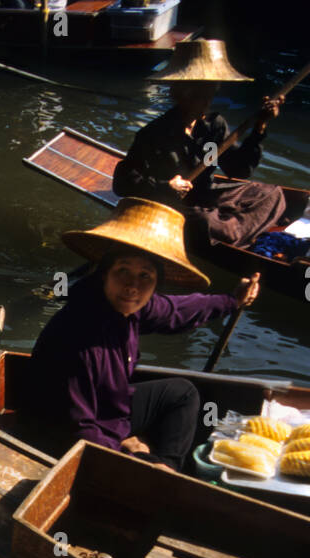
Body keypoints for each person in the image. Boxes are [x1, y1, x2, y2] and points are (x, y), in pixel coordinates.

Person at [22, 198, 260, 470]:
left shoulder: (129, 307)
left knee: (181, 393)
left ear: (156, 283)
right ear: (104, 275)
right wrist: (134, 458)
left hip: (108, 409)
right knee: (139, 459)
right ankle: (159, 475)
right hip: (55, 432)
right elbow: (76, 429)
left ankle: (167, 467)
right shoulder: (79, 337)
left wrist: (232, 300)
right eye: (123, 271)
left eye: (145, 276)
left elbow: (176, 310)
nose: (132, 286)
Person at [111, 40, 285, 249]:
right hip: (177, 205)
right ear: (181, 92)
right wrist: (166, 186)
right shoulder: (153, 134)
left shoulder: (214, 126)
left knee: (271, 193)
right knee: (206, 223)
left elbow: (238, 169)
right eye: (200, 92)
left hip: (207, 195)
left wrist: (260, 128)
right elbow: (122, 183)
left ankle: (233, 228)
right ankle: (233, 229)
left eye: (210, 91)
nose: (207, 99)